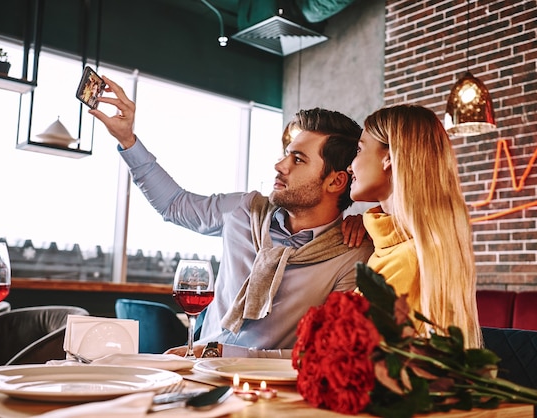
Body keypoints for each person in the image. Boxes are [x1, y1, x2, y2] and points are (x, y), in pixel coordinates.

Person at [90, 76, 373, 357]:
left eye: (298, 160)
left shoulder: (351, 254)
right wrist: (127, 140)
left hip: (266, 388)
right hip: (197, 368)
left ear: (336, 182)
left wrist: (224, 354)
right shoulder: (244, 209)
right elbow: (174, 204)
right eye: (286, 155)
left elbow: (324, 352)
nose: (279, 165)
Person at [347, 104, 482, 348]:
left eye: (358, 149)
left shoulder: (408, 259)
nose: (350, 166)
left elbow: (354, 352)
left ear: (388, 157)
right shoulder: (401, 246)